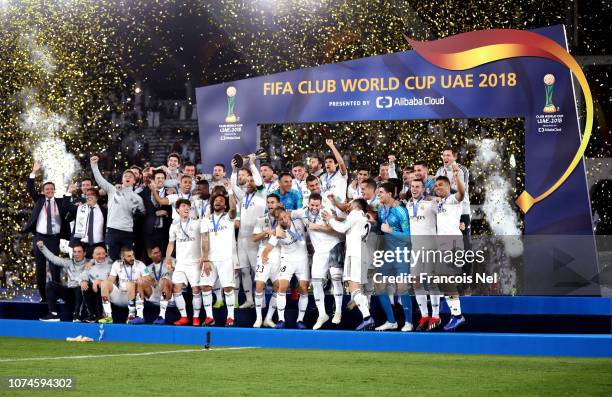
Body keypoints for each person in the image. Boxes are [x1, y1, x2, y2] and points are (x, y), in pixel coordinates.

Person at [292, 193, 343, 329]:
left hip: (333, 246)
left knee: (336, 279)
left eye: (317, 205)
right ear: (308, 203)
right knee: (316, 281)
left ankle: (338, 311)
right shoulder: (302, 212)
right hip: (319, 252)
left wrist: (317, 227)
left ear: (321, 204)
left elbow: (336, 229)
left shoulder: (327, 212)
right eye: (312, 205)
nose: (314, 207)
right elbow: (287, 215)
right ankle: (322, 314)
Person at [24, 160, 72, 301]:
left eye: (51, 189)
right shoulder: (39, 200)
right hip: (39, 238)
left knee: (55, 268)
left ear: (54, 190)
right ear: (43, 191)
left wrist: (69, 192)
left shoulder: (59, 201)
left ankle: (55, 296)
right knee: (40, 269)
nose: (49, 191)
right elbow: (30, 188)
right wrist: (34, 171)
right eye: (47, 189)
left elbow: (68, 204)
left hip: (53, 239)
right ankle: (44, 297)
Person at [324, 198, 375, 330]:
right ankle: (366, 316)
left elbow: (342, 228)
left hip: (354, 254)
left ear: (356, 205)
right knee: (356, 288)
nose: (349, 204)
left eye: (351, 203)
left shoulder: (355, 213)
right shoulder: (365, 218)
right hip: (363, 253)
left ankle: (367, 317)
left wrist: (330, 219)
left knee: (354, 289)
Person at [90, 155, 145, 261]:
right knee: (112, 260)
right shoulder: (112, 190)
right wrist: (94, 165)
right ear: (122, 179)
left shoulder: (138, 199)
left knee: (129, 260)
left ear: (134, 181)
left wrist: (136, 214)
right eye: (126, 176)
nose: (128, 177)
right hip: (112, 230)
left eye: (130, 176)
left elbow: (143, 214)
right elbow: (100, 180)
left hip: (127, 232)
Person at [261, 209, 310, 329]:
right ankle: (281, 319)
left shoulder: (298, 220)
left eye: (285, 216)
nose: (285, 220)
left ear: (287, 214)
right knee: (282, 287)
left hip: (302, 260)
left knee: (303, 289)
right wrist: (264, 255)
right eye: (281, 219)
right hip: (287, 260)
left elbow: (305, 212)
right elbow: (268, 247)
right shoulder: (278, 232)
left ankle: (300, 320)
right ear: (278, 221)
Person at [375, 182, 413, 332]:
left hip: (401, 253)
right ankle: (391, 321)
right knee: (379, 286)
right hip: (387, 254)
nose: (379, 195)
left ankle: (408, 322)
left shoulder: (400, 211)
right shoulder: (381, 209)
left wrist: (390, 231)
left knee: (402, 288)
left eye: (381, 192)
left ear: (390, 194)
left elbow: (407, 237)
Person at [433, 164, 467, 331]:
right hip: (443, 245)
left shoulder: (453, 200)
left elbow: (462, 193)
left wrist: (457, 176)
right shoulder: (439, 203)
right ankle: (456, 315)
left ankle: (457, 315)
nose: (438, 187)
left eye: (441, 185)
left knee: (444, 277)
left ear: (448, 186)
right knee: (442, 280)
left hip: (453, 244)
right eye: (436, 185)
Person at [406, 179, 442, 332]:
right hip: (415, 249)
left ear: (423, 189)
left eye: (417, 187)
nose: (414, 189)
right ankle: (424, 316)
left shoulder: (431, 203)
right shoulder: (408, 205)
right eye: (412, 186)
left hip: (431, 247)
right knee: (416, 282)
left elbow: (444, 215)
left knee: (431, 281)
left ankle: (436, 315)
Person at [200, 190, 238, 326]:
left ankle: (230, 317)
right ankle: (209, 317)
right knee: (205, 286)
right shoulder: (206, 220)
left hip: (226, 259)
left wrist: (230, 192)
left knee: (228, 287)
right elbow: (204, 239)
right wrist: (205, 259)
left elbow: (233, 208)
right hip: (210, 259)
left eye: (221, 201)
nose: (218, 202)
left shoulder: (229, 217)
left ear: (225, 205)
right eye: (216, 200)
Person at [235, 155, 266, 309]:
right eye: (247, 181)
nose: (249, 183)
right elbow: (234, 188)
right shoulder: (244, 197)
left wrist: (252, 165)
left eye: (251, 180)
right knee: (244, 271)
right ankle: (249, 300)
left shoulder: (262, 194)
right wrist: (234, 172)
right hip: (241, 238)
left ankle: (262, 301)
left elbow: (259, 182)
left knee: (257, 271)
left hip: (255, 239)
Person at [166, 199, 203, 326]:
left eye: (188, 206)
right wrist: (167, 259)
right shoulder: (174, 226)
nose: (186, 208)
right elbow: (171, 244)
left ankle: (196, 317)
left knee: (196, 289)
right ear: (177, 210)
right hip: (180, 263)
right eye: (183, 206)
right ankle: (184, 317)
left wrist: (203, 255)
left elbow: (204, 239)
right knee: (176, 289)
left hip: (194, 262)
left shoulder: (197, 223)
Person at [251, 196, 283, 328]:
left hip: (279, 254)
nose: (270, 205)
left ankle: (268, 318)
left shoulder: (284, 219)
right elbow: (254, 238)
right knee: (259, 285)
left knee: (278, 287)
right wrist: (265, 232)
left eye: (273, 202)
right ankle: (258, 318)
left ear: (278, 204)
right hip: (264, 254)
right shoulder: (261, 219)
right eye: (268, 202)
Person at [98, 247, 152, 324]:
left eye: (133, 255)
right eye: (129, 256)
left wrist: (141, 279)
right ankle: (108, 316)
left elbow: (148, 278)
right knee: (105, 283)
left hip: (135, 295)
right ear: (123, 257)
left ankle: (131, 315)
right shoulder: (116, 264)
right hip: (120, 295)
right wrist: (102, 283)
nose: (132, 258)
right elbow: (110, 280)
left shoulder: (140, 264)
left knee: (130, 284)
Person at [37, 241, 88, 322]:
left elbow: (103, 261)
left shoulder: (90, 263)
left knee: (80, 287)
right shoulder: (69, 262)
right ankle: (53, 314)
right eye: (75, 252)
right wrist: (42, 247)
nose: (76, 254)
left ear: (84, 253)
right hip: (70, 293)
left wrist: (92, 262)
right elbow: (53, 258)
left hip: (83, 294)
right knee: (50, 285)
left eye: (79, 252)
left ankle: (77, 315)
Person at [65, 186, 106, 258]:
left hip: (99, 246)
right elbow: (66, 205)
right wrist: (69, 192)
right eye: (87, 194)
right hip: (82, 245)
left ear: (97, 197)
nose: (89, 196)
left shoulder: (104, 210)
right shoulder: (80, 208)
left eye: (92, 194)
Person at [139, 169, 172, 256]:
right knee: (149, 258)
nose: (160, 180)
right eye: (158, 178)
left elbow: (174, 211)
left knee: (163, 257)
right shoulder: (144, 193)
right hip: (149, 231)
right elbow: (140, 211)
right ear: (153, 180)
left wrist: (166, 213)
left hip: (165, 231)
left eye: (162, 178)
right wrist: (154, 214)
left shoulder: (170, 193)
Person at [79, 245, 113, 322]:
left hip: (108, 290)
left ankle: (100, 315)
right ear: (93, 255)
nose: (101, 256)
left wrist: (99, 281)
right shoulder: (90, 266)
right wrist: (82, 281)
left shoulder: (111, 264)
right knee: (85, 286)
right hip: (94, 292)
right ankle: (91, 315)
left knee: (99, 285)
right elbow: (81, 277)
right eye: (98, 254)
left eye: (103, 254)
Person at [146, 246, 174, 325]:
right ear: (149, 255)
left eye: (159, 252)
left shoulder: (170, 260)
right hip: (155, 296)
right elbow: (143, 274)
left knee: (164, 280)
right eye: (155, 253)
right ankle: (136, 315)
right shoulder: (147, 268)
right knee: (141, 281)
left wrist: (173, 268)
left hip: (170, 294)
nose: (158, 254)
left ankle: (162, 315)